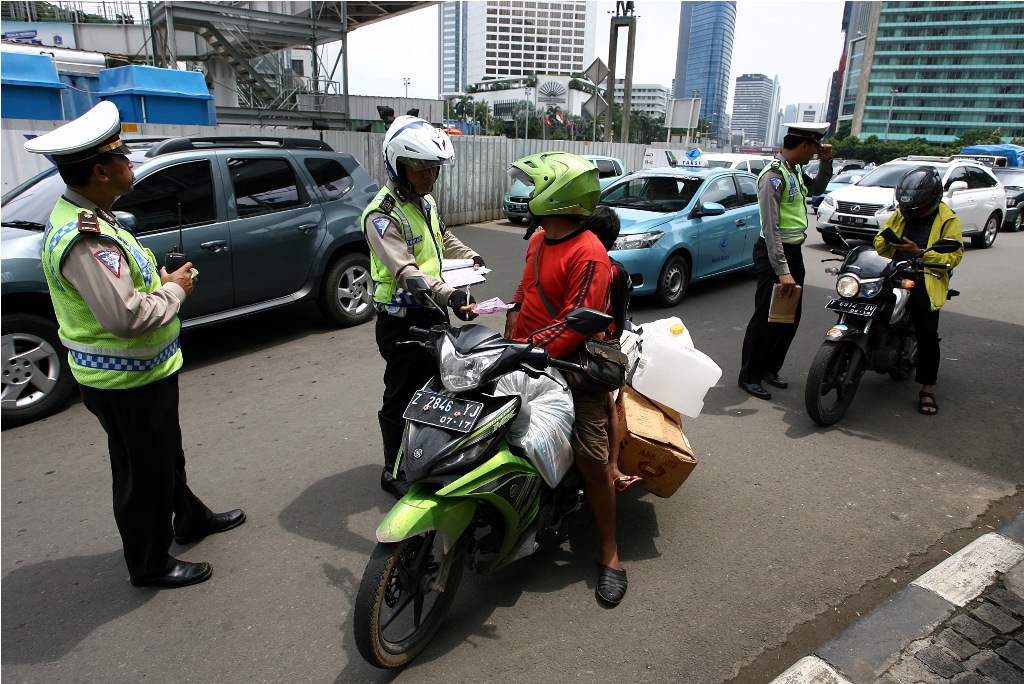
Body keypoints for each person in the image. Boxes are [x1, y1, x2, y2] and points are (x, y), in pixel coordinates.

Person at [26, 101, 245, 589]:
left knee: (165, 455)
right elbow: (125, 317)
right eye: (123, 159)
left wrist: (161, 282)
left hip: (145, 374)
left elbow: (123, 293)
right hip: (122, 380)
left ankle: (189, 518)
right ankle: (150, 562)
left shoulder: (96, 216)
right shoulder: (86, 239)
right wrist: (175, 291)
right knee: (141, 473)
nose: (132, 166)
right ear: (101, 171)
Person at [501, 152, 629, 606]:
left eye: (536, 188)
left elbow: (579, 323)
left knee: (593, 461)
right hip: (525, 355)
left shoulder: (590, 251)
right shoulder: (537, 240)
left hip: (572, 369)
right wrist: (505, 326)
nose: (529, 196)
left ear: (559, 195)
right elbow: (524, 294)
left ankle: (610, 553)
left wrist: (531, 350)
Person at [362, 116, 484, 499]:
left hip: (431, 311)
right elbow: (407, 272)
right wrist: (452, 294)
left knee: (438, 389)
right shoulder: (380, 215)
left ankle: (428, 456)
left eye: (435, 168)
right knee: (401, 395)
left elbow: (442, 237)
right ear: (399, 166)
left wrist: (471, 257)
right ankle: (392, 468)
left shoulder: (424, 200)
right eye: (422, 167)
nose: (431, 175)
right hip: (401, 321)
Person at [739, 123, 835, 400]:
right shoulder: (772, 176)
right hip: (773, 255)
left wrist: (825, 163)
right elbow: (770, 228)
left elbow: (818, 187)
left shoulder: (793, 172)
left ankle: (770, 368)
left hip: (792, 252)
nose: (816, 153)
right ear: (804, 145)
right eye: (816, 148)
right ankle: (749, 376)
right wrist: (782, 270)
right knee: (765, 319)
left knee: (788, 317)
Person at [872, 167, 963, 415]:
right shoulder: (901, 214)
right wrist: (888, 242)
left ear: (931, 199)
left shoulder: (947, 218)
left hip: (927, 276)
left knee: (927, 334)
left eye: (915, 208)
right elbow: (879, 242)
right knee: (868, 308)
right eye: (904, 207)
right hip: (894, 272)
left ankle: (927, 389)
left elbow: (954, 255)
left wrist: (919, 252)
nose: (908, 212)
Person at [582, 206, 640, 494]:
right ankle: (613, 467)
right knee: (606, 404)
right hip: (600, 340)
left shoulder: (607, 268)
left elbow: (616, 319)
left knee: (605, 401)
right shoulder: (615, 267)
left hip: (599, 345)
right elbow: (621, 316)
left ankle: (613, 467)